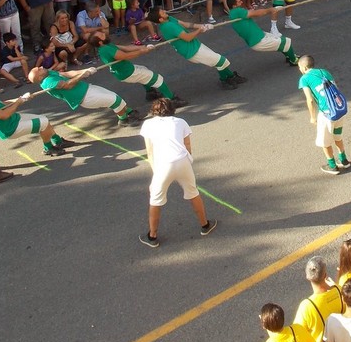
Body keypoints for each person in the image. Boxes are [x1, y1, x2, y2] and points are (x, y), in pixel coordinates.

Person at [138, 98, 217, 247]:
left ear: (153, 111)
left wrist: (156, 172)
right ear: (172, 110)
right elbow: (187, 145)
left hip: (163, 165)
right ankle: (205, 225)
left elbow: (150, 151)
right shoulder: (180, 122)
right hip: (182, 161)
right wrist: (188, 162)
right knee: (193, 193)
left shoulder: (148, 125)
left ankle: (152, 236)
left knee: (155, 199)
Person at [0, 82, 75, 157]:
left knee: (44, 120)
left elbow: (3, 104)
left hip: (15, 119)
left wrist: (22, 99)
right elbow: (4, 115)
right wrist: (19, 102)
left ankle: (57, 141)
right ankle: (48, 148)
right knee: (43, 123)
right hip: (11, 128)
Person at [149, 6, 244, 90]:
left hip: (195, 46)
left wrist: (203, 25)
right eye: (162, 12)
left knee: (217, 61)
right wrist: (200, 30)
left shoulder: (169, 19)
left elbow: (186, 24)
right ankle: (224, 80)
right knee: (221, 61)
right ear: (160, 19)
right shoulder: (168, 26)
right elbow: (187, 37)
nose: (165, 11)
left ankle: (230, 76)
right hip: (192, 51)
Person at [28, 65, 140, 125]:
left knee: (114, 96)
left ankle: (127, 111)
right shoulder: (48, 82)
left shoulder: (49, 73)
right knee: (114, 100)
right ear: (39, 78)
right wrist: (83, 75)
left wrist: (85, 70)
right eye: (39, 69)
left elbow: (67, 73)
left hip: (87, 88)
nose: (41, 67)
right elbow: (68, 85)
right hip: (85, 97)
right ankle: (123, 120)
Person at [297, 55, 351, 175]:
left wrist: (312, 117)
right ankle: (343, 159)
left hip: (327, 114)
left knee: (324, 141)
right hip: (339, 109)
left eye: (299, 67)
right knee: (337, 136)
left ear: (304, 67)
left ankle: (332, 165)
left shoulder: (304, 79)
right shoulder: (324, 71)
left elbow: (309, 100)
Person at [94, 37, 182, 104]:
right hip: (127, 72)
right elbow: (126, 56)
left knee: (144, 70)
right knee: (157, 78)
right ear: (100, 42)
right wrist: (143, 51)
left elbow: (126, 48)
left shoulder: (107, 45)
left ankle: (150, 93)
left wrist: (143, 47)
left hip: (126, 69)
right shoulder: (106, 49)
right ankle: (172, 100)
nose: (103, 33)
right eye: (101, 35)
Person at [293, 255, 345, 342]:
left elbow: (297, 336)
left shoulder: (307, 306)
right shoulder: (338, 290)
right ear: (325, 275)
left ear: (308, 277)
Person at [228, 0, 299, 67]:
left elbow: (250, 14)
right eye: (239, 1)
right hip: (259, 40)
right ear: (234, 5)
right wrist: (271, 10)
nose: (242, 2)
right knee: (285, 41)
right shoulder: (237, 11)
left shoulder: (232, 13)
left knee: (280, 40)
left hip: (259, 36)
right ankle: (294, 60)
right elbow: (257, 13)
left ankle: (289, 56)